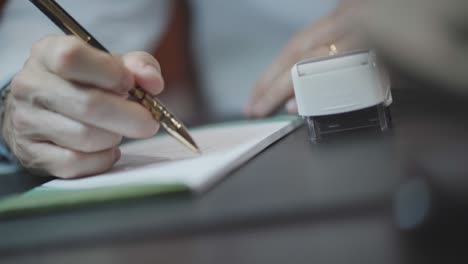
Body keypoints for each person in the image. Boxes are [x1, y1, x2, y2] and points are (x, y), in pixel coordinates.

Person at [0, 0, 361, 178]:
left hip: (412, 114)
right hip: (262, 145)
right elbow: (42, 48)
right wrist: (17, 110)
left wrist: (411, 26)